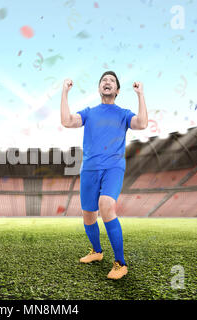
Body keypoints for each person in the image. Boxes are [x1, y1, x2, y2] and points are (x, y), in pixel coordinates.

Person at [60, 71, 148, 280]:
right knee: (89, 215)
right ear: (100, 88)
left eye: (112, 81)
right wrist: (64, 92)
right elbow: (66, 121)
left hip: (113, 168)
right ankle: (97, 252)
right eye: (103, 81)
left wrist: (140, 95)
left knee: (106, 205)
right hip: (89, 169)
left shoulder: (124, 114)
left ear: (117, 90)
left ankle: (120, 263)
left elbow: (142, 123)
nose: (107, 83)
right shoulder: (89, 112)